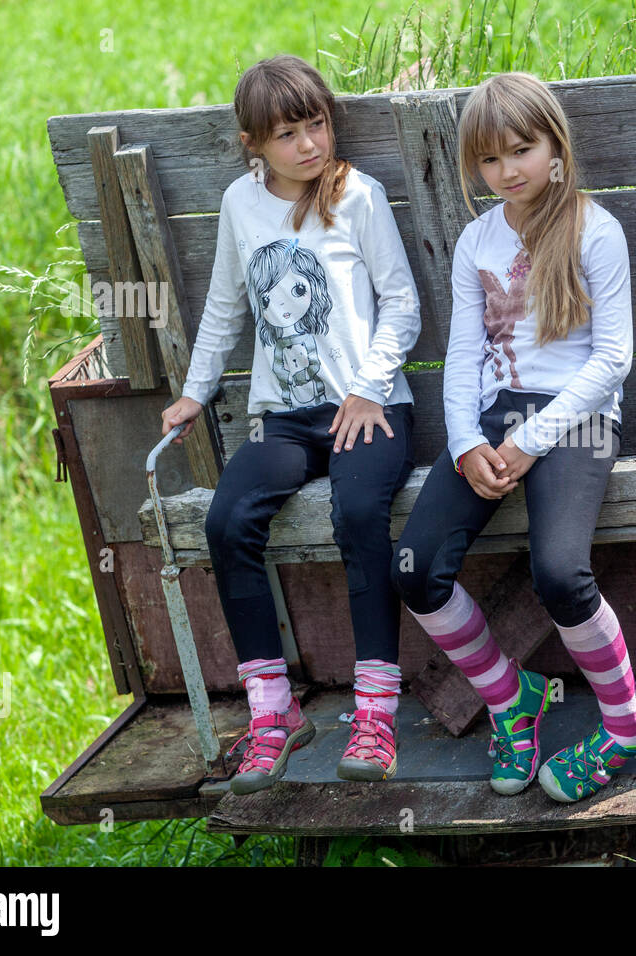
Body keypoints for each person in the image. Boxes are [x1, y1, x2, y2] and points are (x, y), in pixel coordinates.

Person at [160, 54, 420, 792]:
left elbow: (401, 302)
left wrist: (369, 390)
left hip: (371, 407)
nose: (309, 144)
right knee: (228, 519)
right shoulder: (241, 207)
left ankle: (374, 717)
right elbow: (224, 306)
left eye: (316, 124)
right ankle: (273, 712)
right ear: (253, 143)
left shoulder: (357, 197)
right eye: (287, 134)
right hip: (286, 417)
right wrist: (195, 391)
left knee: (360, 510)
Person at [391, 72, 636, 804]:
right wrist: (467, 441)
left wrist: (533, 440)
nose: (507, 171)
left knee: (561, 573)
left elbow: (612, 361)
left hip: (580, 418)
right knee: (413, 567)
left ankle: (626, 722)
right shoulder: (478, 239)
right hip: (493, 417)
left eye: (521, 151)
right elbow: (463, 356)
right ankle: (511, 699)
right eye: (491, 160)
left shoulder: (596, 231)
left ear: (555, 148)